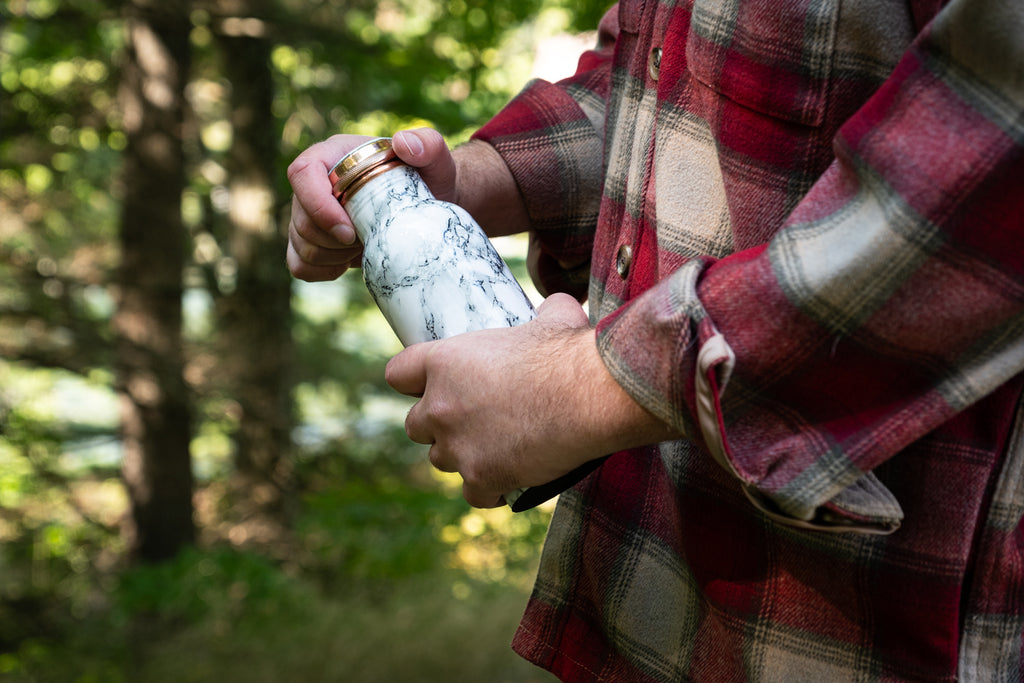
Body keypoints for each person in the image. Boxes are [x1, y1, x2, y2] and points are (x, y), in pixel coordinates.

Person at [287, 0, 1024, 679]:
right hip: (655, 589)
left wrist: (580, 388)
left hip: (857, 622)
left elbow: (990, 169)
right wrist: (455, 183)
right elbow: (657, 75)